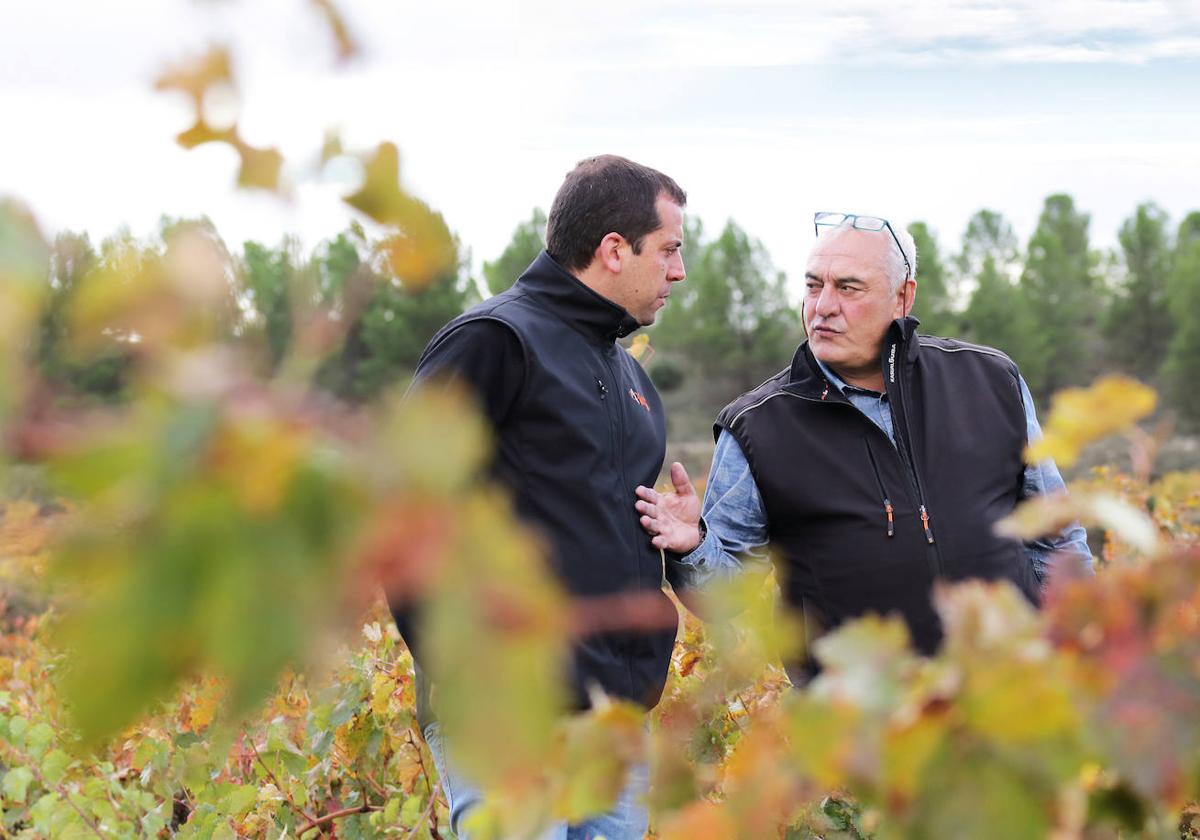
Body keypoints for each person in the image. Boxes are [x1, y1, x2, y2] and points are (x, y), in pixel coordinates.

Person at [636, 211, 1091, 681]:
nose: (823, 307)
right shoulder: (758, 425)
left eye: (848, 288)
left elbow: (1055, 536)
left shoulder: (989, 380)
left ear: (903, 296)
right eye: (814, 287)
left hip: (1010, 699)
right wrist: (693, 549)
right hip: (858, 726)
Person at [391, 155, 688, 839]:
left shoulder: (633, 382)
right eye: (669, 250)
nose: (678, 271)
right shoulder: (496, 341)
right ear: (615, 249)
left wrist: (682, 536)